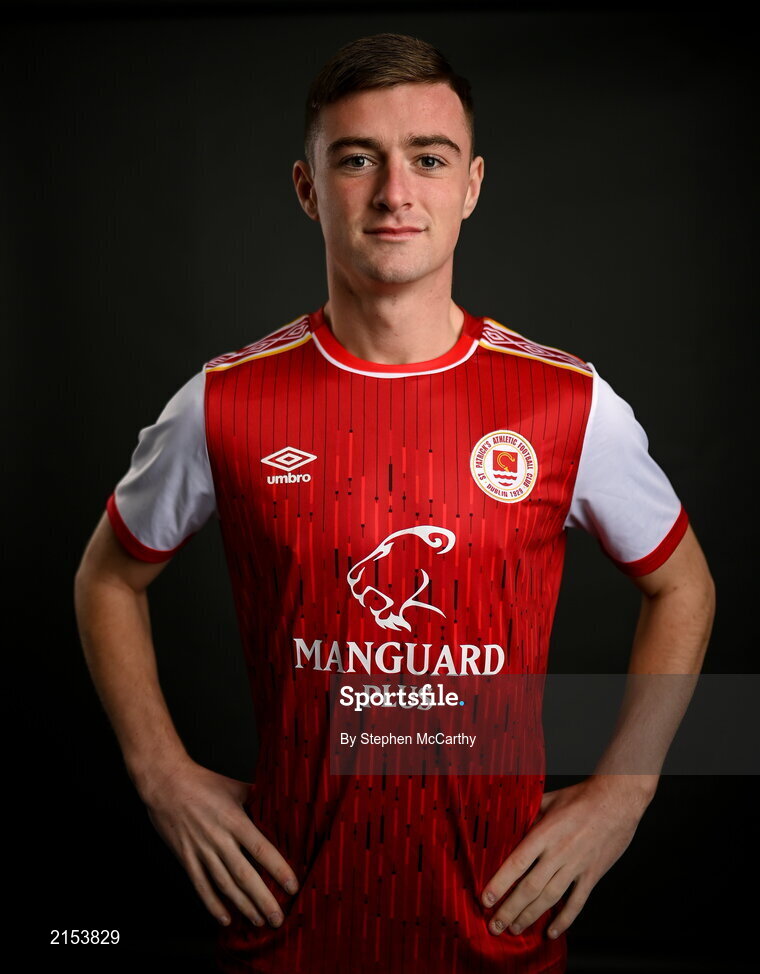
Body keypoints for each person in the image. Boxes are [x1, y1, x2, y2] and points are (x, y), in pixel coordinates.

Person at [74, 32, 715, 974]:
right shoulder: (223, 401)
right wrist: (158, 773)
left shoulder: (568, 403)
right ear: (307, 189)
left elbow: (687, 588)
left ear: (472, 186)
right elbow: (105, 580)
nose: (394, 193)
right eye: (357, 159)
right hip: (285, 929)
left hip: (503, 932)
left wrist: (627, 786)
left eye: (428, 158)